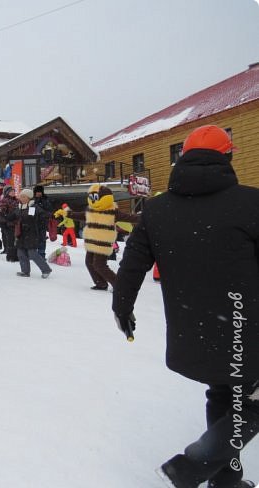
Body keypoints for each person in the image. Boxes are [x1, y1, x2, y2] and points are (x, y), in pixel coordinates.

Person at [112, 125, 259, 488]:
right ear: (228, 157)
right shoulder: (252, 203)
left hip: (195, 328)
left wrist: (122, 309)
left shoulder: (157, 209)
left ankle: (224, 481)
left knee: (223, 394)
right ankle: (192, 466)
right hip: (248, 325)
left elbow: (132, 265)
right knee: (246, 400)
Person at [14, 188, 52, 278]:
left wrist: (50, 216)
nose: (21, 198)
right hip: (21, 234)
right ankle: (25, 271)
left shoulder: (33, 207)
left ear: (29, 198)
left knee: (32, 253)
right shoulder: (19, 207)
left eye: (24, 197)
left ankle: (46, 270)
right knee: (21, 253)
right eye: (21, 196)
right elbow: (13, 217)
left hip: (31, 234)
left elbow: (42, 216)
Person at [0, 185, 19, 262]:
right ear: (7, 193)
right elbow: (2, 213)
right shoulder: (4, 200)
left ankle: (16, 255)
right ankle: (10, 256)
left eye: (14, 191)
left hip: (16, 223)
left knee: (16, 240)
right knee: (10, 240)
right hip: (8, 223)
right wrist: (5, 221)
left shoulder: (17, 200)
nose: (13, 192)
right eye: (11, 191)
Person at [33, 185, 53, 257]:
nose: (39, 193)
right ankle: (34, 254)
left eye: (40, 192)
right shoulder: (32, 200)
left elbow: (50, 211)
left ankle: (41, 254)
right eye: (37, 192)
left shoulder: (45, 200)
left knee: (42, 239)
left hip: (42, 222)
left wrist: (43, 214)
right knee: (34, 239)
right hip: (33, 223)